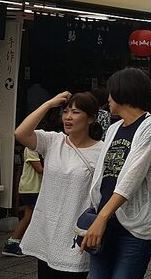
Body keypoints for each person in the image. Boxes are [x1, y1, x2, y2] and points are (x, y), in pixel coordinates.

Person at [82, 68, 151, 279]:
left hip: (134, 228)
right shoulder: (114, 128)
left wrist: (101, 217)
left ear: (123, 93)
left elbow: (132, 178)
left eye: (111, 92)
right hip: (104, 221)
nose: (108, 98)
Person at [15, 91, 103, 278]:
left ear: (91, 119)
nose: (68, 117)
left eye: (76, 112)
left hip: (76, 234)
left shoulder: (101, 151)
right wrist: (49, 104)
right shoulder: (53, 141)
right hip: (47, 232)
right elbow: (21, 133)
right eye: (65, 112)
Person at [3, 143, 42, 257]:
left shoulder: (35, 148)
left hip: (32, 187)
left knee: (30, 215)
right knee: (30, 216)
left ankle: (15, 242)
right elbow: (39, 169)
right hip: (31, 187)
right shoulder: (31, 148)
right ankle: (13, 243)